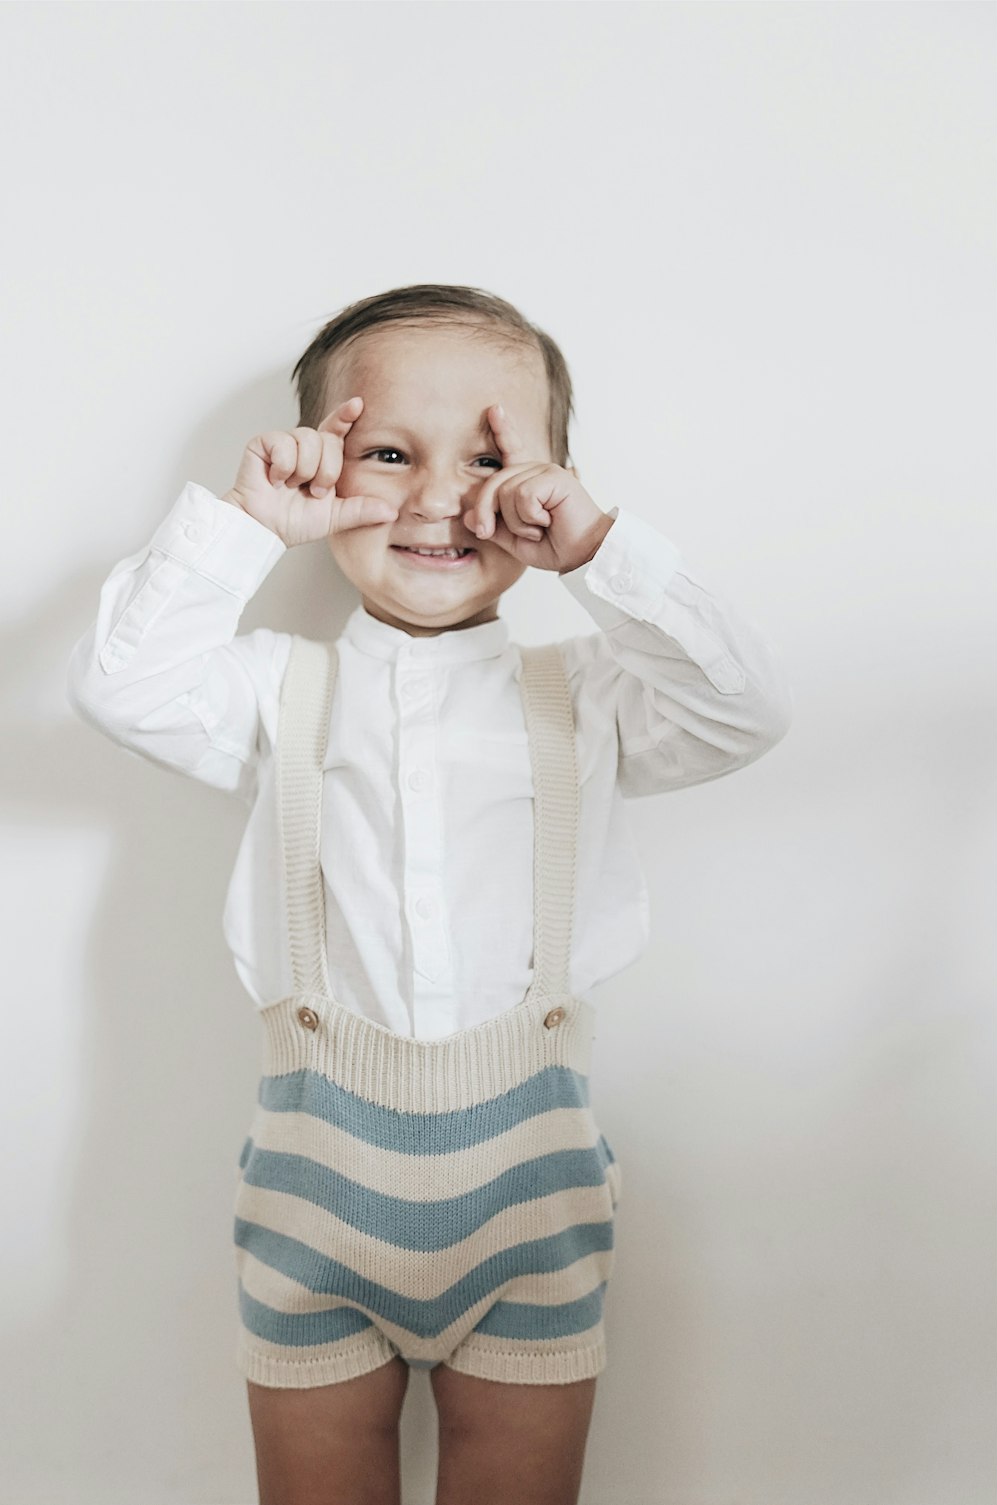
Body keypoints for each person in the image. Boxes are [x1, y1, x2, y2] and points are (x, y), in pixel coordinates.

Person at [66, 283, 793, 1505]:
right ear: (324, 465)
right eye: (391, 452)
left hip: (533, 1197)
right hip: (310, 1197)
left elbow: (746, 709)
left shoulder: (592, 696)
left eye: (494, 457)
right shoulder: (273, 689)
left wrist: (604, 551)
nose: (442, 496)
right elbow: (122, 684)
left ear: (554, 482)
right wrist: (244, 528)